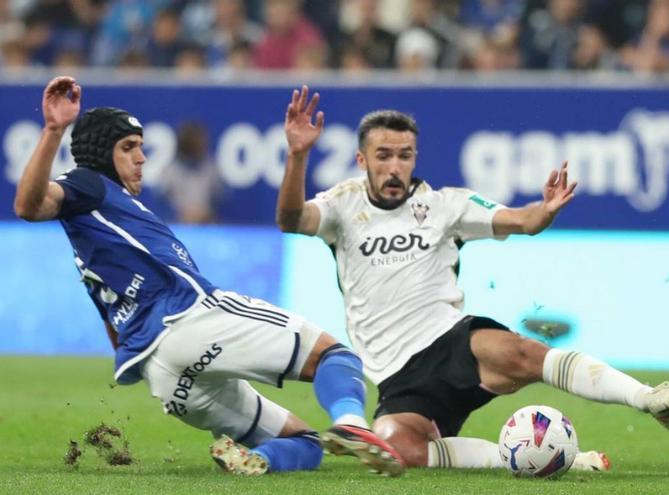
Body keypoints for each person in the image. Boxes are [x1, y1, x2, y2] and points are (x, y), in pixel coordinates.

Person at [275, 85, 669, 470]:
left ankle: (649, 398)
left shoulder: (445, 206)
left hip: (449, 340)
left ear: (415, 159)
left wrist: (544, 211)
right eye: (383, 155)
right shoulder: (342, 205)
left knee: (522, 352)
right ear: (361, 160)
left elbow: (521, 220)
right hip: (394, 373)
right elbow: (291, 219)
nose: (394, 166)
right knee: (396, 448)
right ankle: (559, 461)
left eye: (404, 155)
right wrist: (297, 157)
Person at [13, 76, 404, 477]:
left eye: (141, 147)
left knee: (303, 444)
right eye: (128, 147)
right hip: (190, 319)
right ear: (100, 154)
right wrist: (54, 131)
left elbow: (114, 327)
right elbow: (30, 204)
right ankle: (354, 425)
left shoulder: (94, 239)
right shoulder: (89, 184)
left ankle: (258, 461)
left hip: (162, 374)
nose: (142, 157)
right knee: (334, 357)